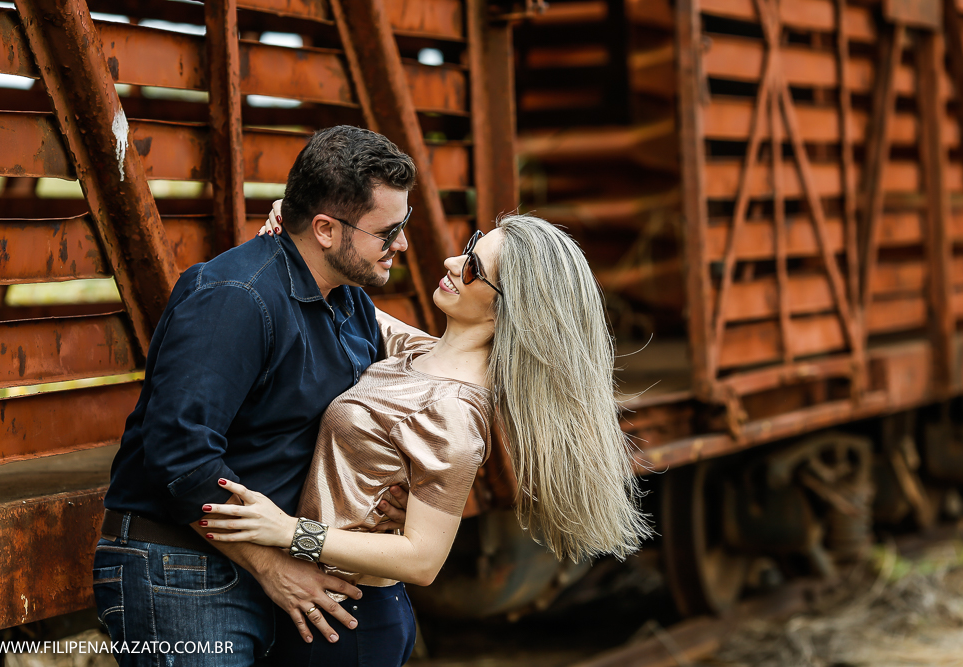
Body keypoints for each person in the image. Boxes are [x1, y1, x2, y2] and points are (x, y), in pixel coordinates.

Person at [200, 211, 653, 666]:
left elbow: (423, 560)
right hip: (316, 602)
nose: (454, 261)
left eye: (475, 268)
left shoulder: (454, 414)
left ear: (507, 309)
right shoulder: (421, 353)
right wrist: (298, 227)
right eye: (471, 244)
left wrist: (288, 532)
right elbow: (337, 294)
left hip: (347, 619)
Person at [92, 125, 420, 667]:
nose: (401, 244)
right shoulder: (234, 298)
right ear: (324, 229)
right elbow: (180, 453)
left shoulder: (348, 302)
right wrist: (270, 566)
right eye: (388, 231)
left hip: (266, 560)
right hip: (183, 570)